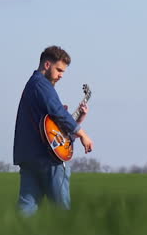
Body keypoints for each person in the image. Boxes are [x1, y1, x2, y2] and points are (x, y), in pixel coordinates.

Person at [12, 45, 93, 215]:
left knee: (26, 211)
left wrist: (78, 119)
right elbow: (58, 112)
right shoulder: (41, 84)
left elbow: (52, 125)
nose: (61, 75)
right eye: (59, 70)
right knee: (61, 212)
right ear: (47, 65)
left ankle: (15, 232)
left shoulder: (32, 85)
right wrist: (82, 134)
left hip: (28, 157)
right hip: (48, 159)